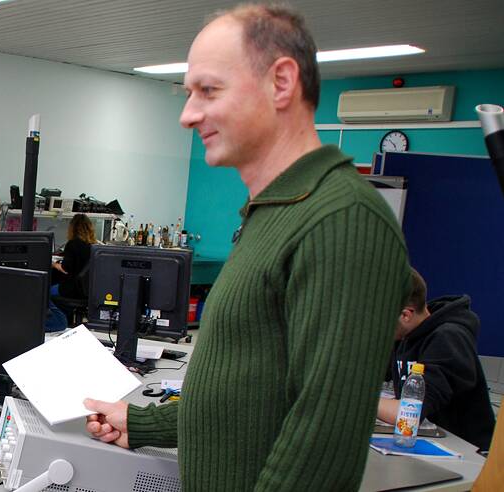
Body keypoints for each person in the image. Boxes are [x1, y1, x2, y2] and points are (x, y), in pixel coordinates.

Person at [83, 5, 410, 491]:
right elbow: (250, 391)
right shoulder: (275, 211)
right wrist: (145, 423)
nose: (187, 115)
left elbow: (322, 440)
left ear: (281, 82)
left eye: (209, 90)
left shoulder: (342, 218)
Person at [377, 268, 496, 451]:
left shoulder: (449, 338)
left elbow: (407, 415)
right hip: (427, 440)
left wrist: (357, 399)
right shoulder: (404, 336)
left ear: (405, 315)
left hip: (468, 452)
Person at [51, 213, 95, 299]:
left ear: (72, 228)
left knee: (43, 293)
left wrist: (54, 264)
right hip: (86, 290)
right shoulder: (93, 245)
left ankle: (61, 313)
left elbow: (65, 269)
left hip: (72, 289)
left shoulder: (72, 244)